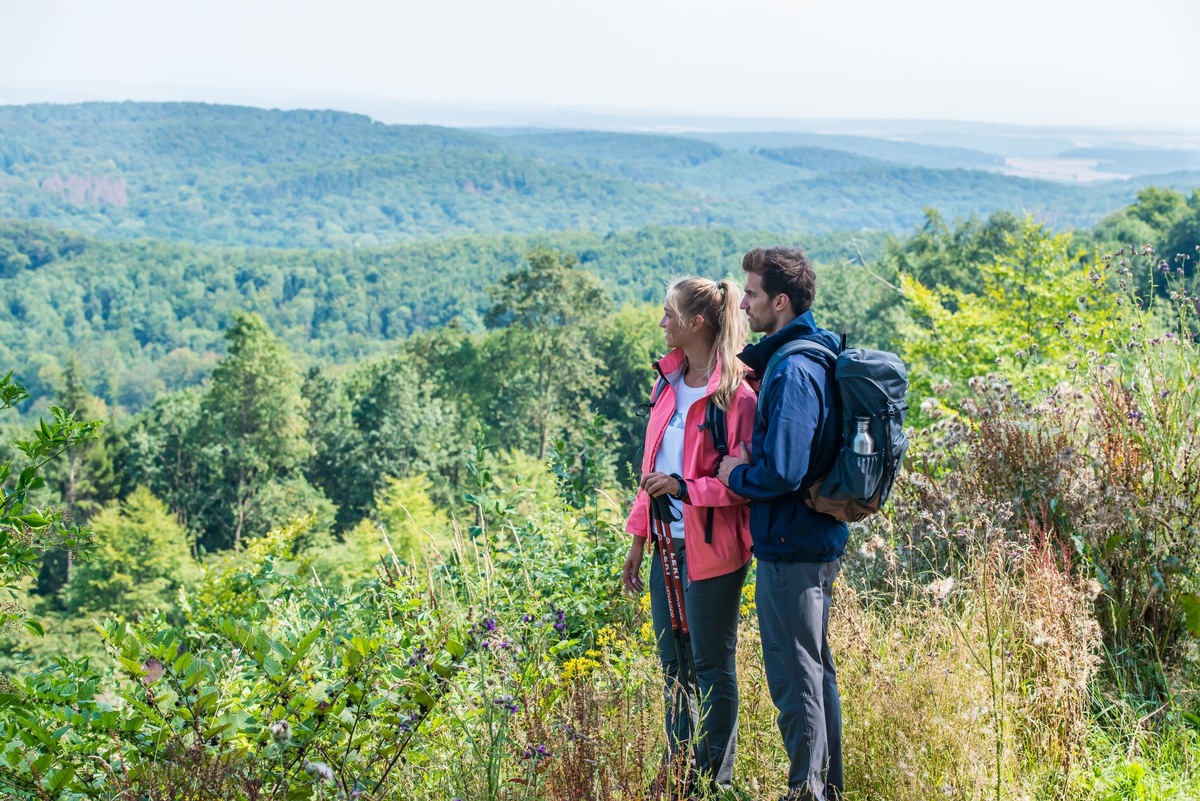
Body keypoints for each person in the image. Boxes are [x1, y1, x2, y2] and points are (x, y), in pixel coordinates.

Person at [716, 247, 848, 801]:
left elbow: (786, 471)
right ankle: (827, 789)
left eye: (750, 294)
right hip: (811, 540)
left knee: (795, 680)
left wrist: (735, 474)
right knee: (816, 674)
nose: (742, 304)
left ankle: (807, 792)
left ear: (780, 301)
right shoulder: (811, 355)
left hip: (791, 544)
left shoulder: (793, 369)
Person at [623, 276, 758, 795]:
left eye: (668, 314)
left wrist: (684, 488)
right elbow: (649, 467)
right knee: (671, 662)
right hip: (665, 544)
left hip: (714, 548)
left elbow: (741, 487)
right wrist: (638, 541)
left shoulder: (735, 396)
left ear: (695, 323)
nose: (661, 323)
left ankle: (713, 778)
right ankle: (679, 773)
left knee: (710, 663)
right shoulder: (667, 383)